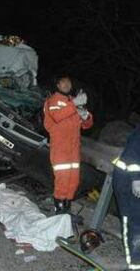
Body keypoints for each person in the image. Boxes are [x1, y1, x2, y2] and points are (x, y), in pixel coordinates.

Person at [43, 74, 93, 214]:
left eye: (69, 82)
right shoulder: (53, 101)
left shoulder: (73, 101)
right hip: (60, 148)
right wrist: (75, 104)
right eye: (63, 82)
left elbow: (87, 125)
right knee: (63, 180)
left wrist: (85, 116)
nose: (67, 85)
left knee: (74, 181)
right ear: (58, 85)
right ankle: (59, 210)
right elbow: (58, 116)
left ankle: (66, 209)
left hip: (74, 148)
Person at [112, 126, 140, 270]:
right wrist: (136, 179)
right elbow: (132, 154)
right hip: (128, 182)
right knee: (134, 224)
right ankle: (135, 264)